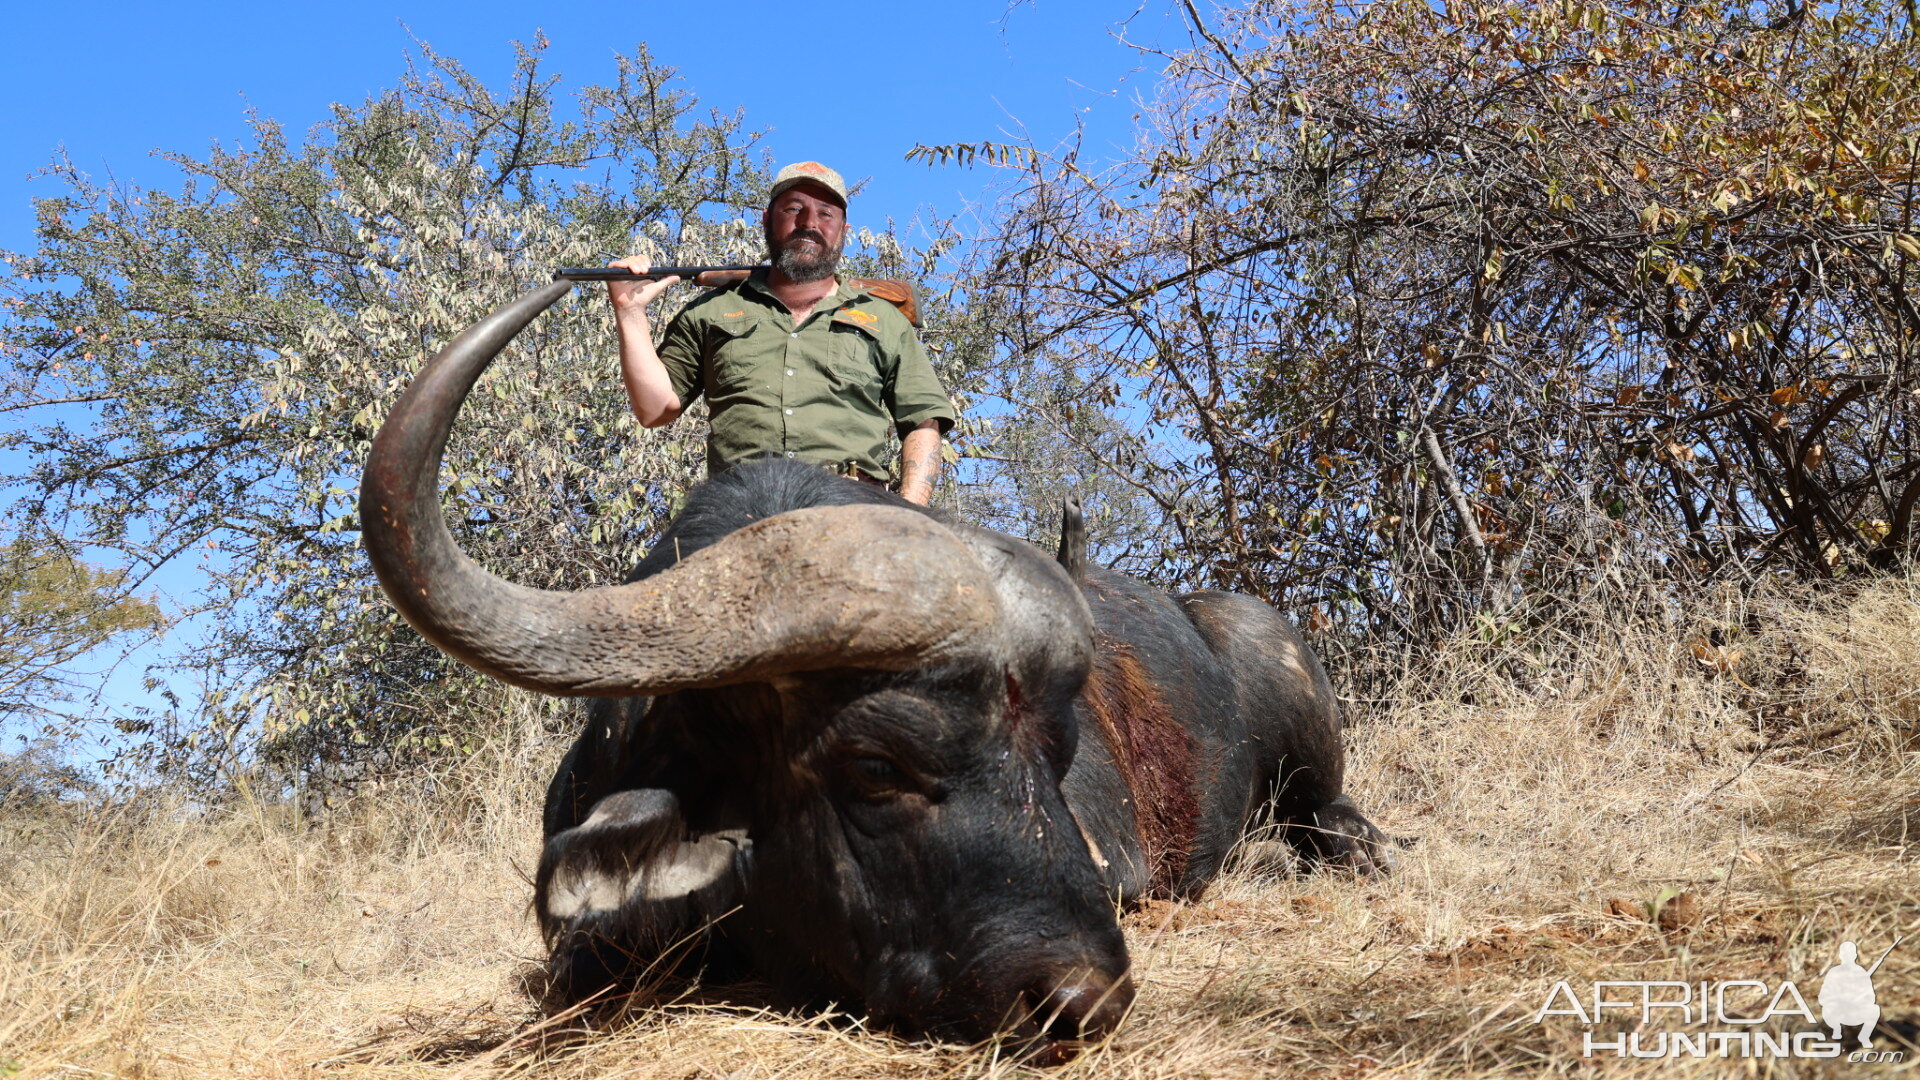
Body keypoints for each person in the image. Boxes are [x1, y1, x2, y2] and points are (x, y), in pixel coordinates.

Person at [604, 161, 955, 506]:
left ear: (843, 230)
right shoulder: (709, 312)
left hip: (853, 506)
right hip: (738, 509)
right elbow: (654, 410)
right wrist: (630, 312)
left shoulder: (885, 321)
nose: (808, 223)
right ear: (767, 220)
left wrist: (910, 512)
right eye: (793, 209)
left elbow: (923, 421)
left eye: (825, 214)